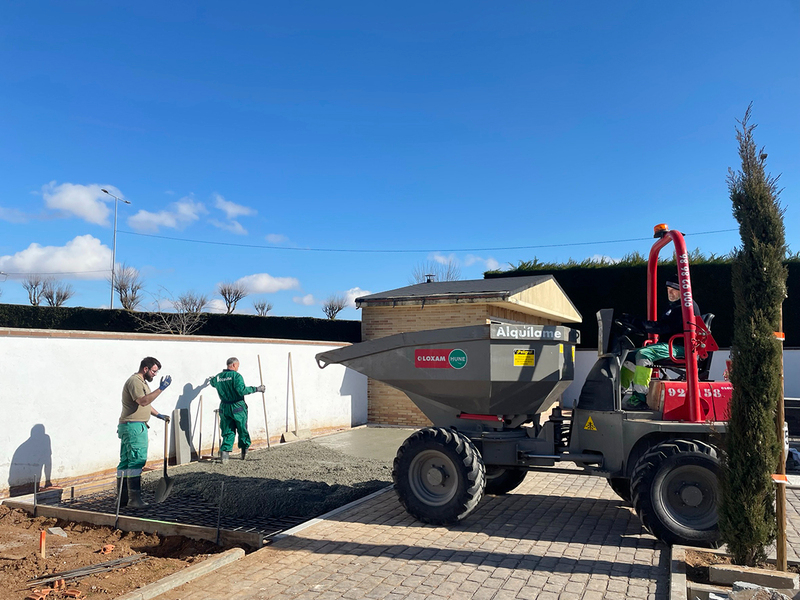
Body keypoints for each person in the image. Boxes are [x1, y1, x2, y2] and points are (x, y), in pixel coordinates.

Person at [619, 281, 701, 410]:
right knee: (629, 357)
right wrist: (638, 324)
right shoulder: (673, 307)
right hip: (669, 344)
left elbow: (665, 327)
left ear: (683, 291)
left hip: (680, 347)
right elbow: (661, 326)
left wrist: (639, 323)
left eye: (673, 290)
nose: (670, 293)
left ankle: (640, 397)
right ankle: (619, 393)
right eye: (668, 289)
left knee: (644, 354)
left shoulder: (685, 307)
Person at [117, 357, 172, 508]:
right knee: (137, 460)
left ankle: (122, 499)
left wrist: (159, 415)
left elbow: (146, 403)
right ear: (145, 369)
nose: (155, 374)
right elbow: (143, 401)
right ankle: (134, 500)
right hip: (134, 427)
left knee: (126, 461)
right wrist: (161, 389)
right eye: (154, 371)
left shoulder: (142, 382)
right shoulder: (135, 381)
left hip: (130, 425)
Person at [210, 357, 265, 463]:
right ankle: (244, 453)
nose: (238, 368)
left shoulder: (218, 377)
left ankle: (225, 456)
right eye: (238, 366)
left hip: (224, 407)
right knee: (242, 429)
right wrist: (257, 389)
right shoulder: (236, 376)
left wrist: (211, 380)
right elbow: (241, 391)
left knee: (227, 430)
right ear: (234, 365)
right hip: (237, 407)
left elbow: (212, 383)